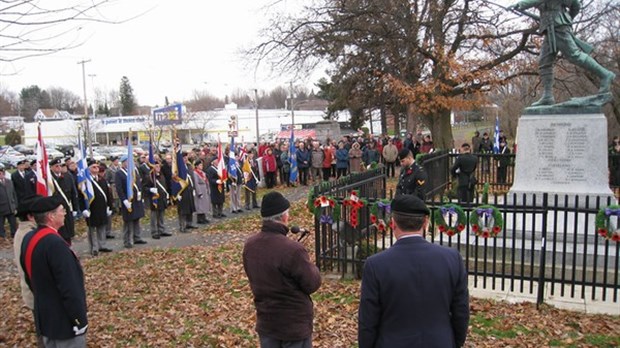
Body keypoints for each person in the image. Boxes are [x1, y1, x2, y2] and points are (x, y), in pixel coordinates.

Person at [358, 194, 469, 348]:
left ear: (393, 223)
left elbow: (368, 321)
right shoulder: (451, 259)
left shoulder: (376, 265)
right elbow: (461, 313)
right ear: (426, 223)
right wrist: (454, 342)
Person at [243, 192, 322, 348]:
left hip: (267, 322)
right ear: (284, 217)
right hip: (293, 325)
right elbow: (312, 283)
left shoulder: (250, 245)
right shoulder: (293, 250)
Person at [508, 0, 616, 106]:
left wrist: (520, 4)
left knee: (574, 55)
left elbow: (575, 4)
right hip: (550, 28)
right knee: (544, 62)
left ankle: (605, 75)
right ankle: (548, 96)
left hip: (558, 26)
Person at [19, 195, 88, 347]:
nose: (65, 213)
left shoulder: (29, 238)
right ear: (51, 216)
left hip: (45, 318)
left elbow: (29, 277)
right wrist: (79, 320)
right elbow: (70, 286)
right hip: (64, 324)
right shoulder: (55, 244)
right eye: (62, 210)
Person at [13, 195, 44, 347]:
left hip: (35, 290)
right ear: (31, 216)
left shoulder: (26, 232)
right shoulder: (27, 235)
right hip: (36, 292)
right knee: (43, 328)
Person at [80, 159, 113, 256]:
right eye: (94, 167)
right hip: (92, 208)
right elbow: (82, 196)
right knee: (92, 229)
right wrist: (84, 209)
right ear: (89, 169)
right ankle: (93, 247)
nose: (97, 168)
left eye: (97, 167)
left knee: (102, 226)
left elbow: (107, 194)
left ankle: (102, 245)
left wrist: (109, 207)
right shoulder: (86, 181)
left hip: (102, 207)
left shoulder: (102, 179)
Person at [115, 154, 147, 248]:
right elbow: (119, 188)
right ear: (123, 162)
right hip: (128, 200)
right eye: (128, 162)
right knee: (128, 221)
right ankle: (127, 240)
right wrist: (124, 200)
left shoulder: (133, 172)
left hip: (136, 199)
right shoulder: (119, 173)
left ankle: (137, 237)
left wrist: (140, 194)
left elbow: (138, 183)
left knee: (136, 218)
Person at [49, 158, 79, 244]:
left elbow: (73, 193)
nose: (59, 168)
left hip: (67, 208)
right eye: (56, 166)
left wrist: (75, 208)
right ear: (51, 167)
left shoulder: (67, 176)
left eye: (60, 166)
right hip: (56, 209)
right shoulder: (49, 179)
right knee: (59, 232)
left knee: (68, 231)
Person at [144, 160, 172, 238]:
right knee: (154, 216)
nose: (158, 168)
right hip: (154, 199)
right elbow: (144, 188)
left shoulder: (161, 175)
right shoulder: (149, 177)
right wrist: (150, 189)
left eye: (159, 166)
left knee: (161, 215)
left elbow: (164, 186)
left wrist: (166, 194)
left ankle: (161, 229)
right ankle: (154, 232)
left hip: (162, 198)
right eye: (156, 166)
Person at [0, 166, 18, 239]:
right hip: (1, 208)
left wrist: (15, 205)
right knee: (1, 223)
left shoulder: (9, 182)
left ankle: (14, 234)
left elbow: (14, 194)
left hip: (11, 206)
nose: (1, 175)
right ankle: (2, 235)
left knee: (13, 223)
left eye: (2, 173)